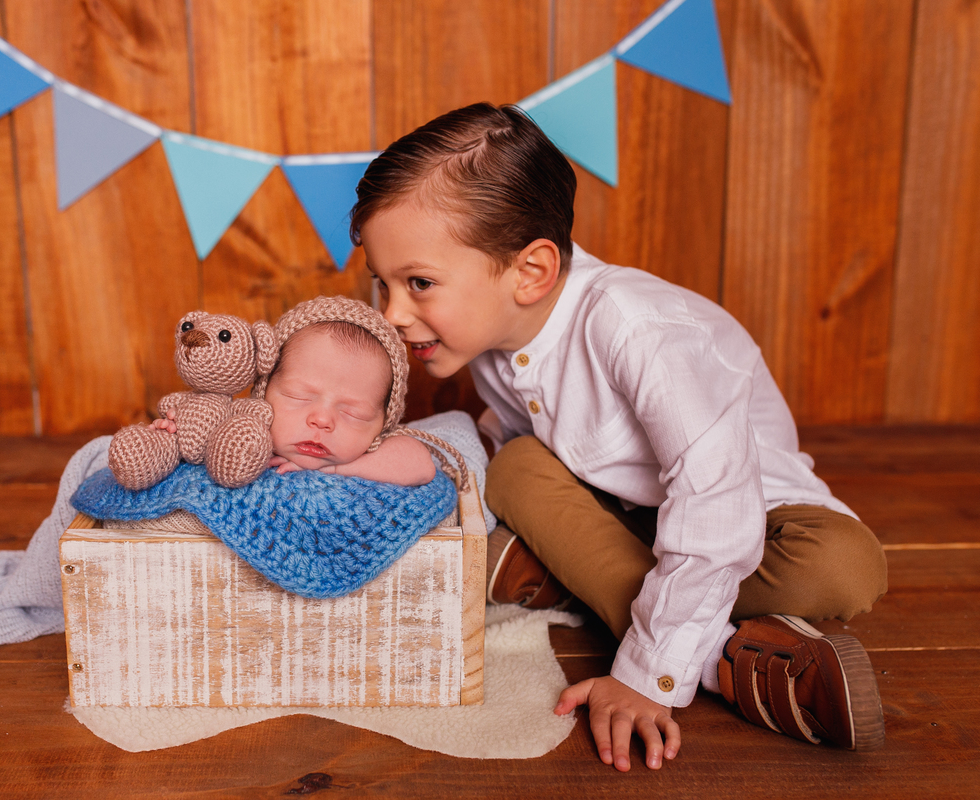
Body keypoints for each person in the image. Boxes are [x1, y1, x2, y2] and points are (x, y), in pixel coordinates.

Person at [349, 102, 889, 770]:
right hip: (625, 512)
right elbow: (525, 448)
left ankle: (578, 581)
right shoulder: (488, 344)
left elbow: (716, 500)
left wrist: (645, 675)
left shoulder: (638, 328)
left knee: (844, 566)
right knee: (514, 465)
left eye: (419, 284)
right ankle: (725, 658)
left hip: (752, 511)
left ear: (531, 272)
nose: (394, 314)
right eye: (384, 283)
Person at [151, 296, 436, 487]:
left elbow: (421, 464)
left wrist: (336, 470)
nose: (322, 420)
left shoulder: (370, 457)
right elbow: (199, 434)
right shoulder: (238, 429)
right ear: (263, 392)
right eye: (298, 396)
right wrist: (175, 431)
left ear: (383, 423)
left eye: (354, 413)